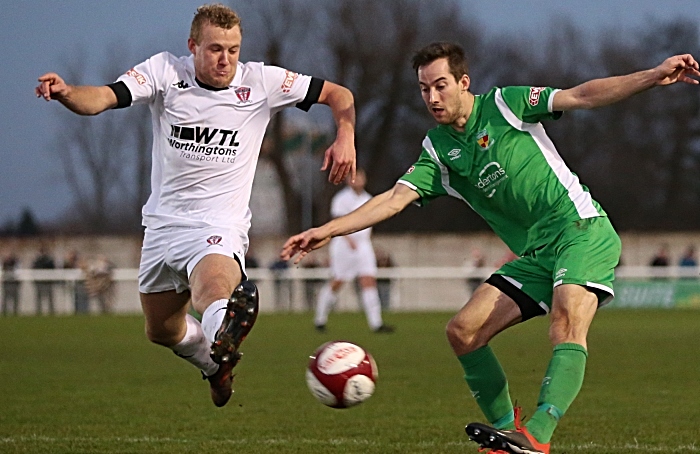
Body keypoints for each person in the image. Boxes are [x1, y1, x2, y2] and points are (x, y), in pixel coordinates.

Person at [281, 42, 699, 454]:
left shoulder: (505, 104)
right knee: (463, 332)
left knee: (566, 320)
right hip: (536, 253)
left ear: (464, 82)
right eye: (424, 89)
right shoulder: (439, 152)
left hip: (581, 228)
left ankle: (537, 435)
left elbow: (582, 95)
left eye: (440, 85)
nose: (432, 97)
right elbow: (393, 199)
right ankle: (506, 436)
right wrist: (329, 230)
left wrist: (652, 75)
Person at [36, 3, 355, 407]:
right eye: (215, 49)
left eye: (234, 49)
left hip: (217, 225)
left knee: (214, 286)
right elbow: (103, 97)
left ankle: (227, 324)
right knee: (161, 330)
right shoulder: (165, 72)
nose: (226, 59)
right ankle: (214, 364)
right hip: (162, 226)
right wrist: (67, 93)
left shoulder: (262, 81)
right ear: (192, 46)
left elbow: (338, 94)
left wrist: (345, 134)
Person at [313, 169, 394, 333]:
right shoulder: (341, 199)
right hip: (344, 245)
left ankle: (376, 323)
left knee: (368, 281)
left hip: (363, 245)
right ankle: (320, 319)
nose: (357, 180)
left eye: (360, 177)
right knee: (338, 281)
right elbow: (337, 221)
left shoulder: (368, 198)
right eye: (354, 177)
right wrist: (348, 239)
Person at [32, 246, 56, 315]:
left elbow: (52, 268)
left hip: (48, 282)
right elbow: (34, 268)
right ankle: (38, 312)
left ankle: (51, 312)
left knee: (50, 298)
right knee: (38, 298)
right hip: (39, 282)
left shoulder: (49, 260)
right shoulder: (37, 260)